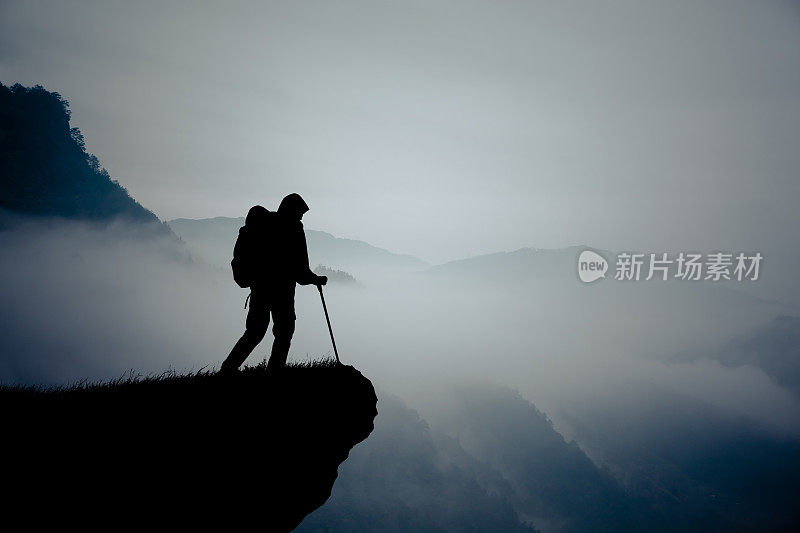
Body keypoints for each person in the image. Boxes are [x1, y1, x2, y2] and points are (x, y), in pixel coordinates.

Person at [221, 193, 327, 374]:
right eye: (300, 212)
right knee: (284, 332)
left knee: (255, 332)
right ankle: (274, 372)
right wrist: (315, 279)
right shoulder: (294, 229)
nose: (301, 216)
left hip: (259, 288)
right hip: (283, 291)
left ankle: (228, 369)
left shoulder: (261, 226)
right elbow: (300, 269)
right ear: (292, 210)